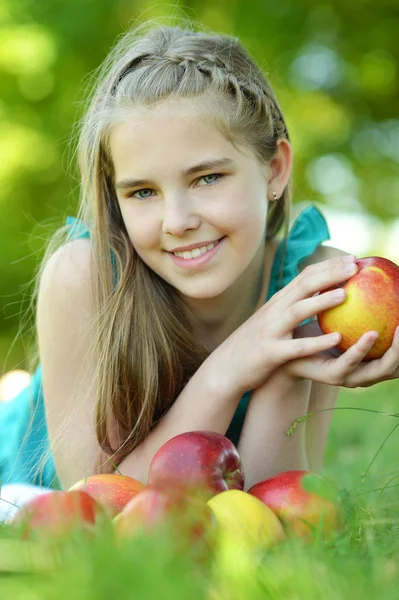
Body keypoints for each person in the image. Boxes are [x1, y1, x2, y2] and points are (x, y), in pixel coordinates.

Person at [1, 19, 398, 520]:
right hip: (21, 479)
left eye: (207, 177)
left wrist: (283, 369)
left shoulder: (314, 286)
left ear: (274, 169)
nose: (178, 221)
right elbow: (103, 507)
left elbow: (271, 515)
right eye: (142, 192)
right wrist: (234, 364)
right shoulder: (83, 275)